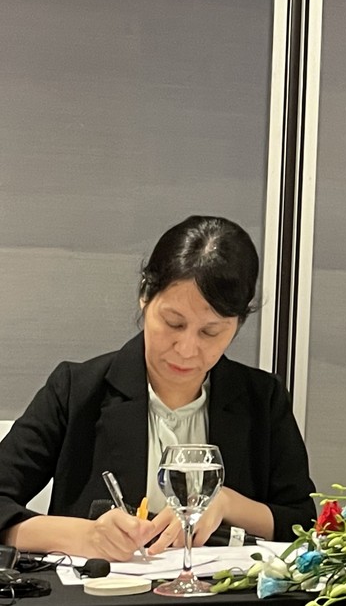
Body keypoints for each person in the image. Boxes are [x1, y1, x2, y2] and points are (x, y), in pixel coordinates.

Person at [0, 216, 316, 560]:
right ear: (145, 296)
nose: (186, 348)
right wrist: (85, 536)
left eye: (211, 332)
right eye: (173, 322)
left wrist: (225, 502)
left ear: (238, 324)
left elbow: (302, 521)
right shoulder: (77, 390)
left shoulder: (262, 399)